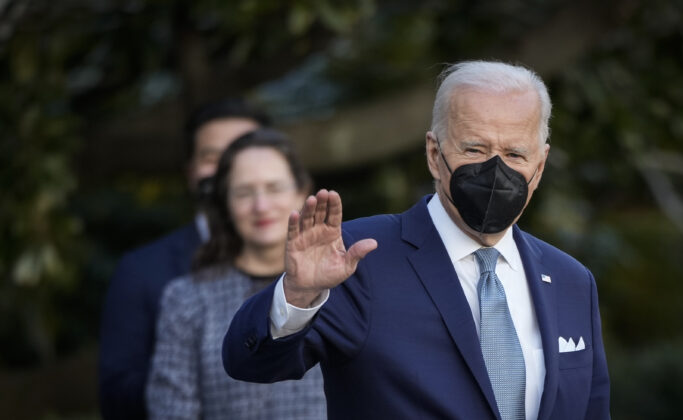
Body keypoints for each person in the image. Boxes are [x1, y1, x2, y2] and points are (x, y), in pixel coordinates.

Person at [222, 61, 610, 420]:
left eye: (514, 153)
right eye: (474, 149)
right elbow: (250, 363)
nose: (495, 170)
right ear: (433, 154)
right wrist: (297, 295)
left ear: (539, 167)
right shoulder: (356, 258)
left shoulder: (571, 280)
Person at [99, 98, 268, 420]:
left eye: (244, 151)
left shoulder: (312, 263)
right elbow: (116, 396)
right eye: (212, 157)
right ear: (190, 172)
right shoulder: (142, 271)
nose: (229, 167)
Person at [147, 129, 326, 419]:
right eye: (244, 192)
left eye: (274, 187)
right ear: (226, 204)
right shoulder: (187, 298)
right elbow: (172, 410)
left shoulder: (342, 288)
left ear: (301, 191)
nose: (261, 206)